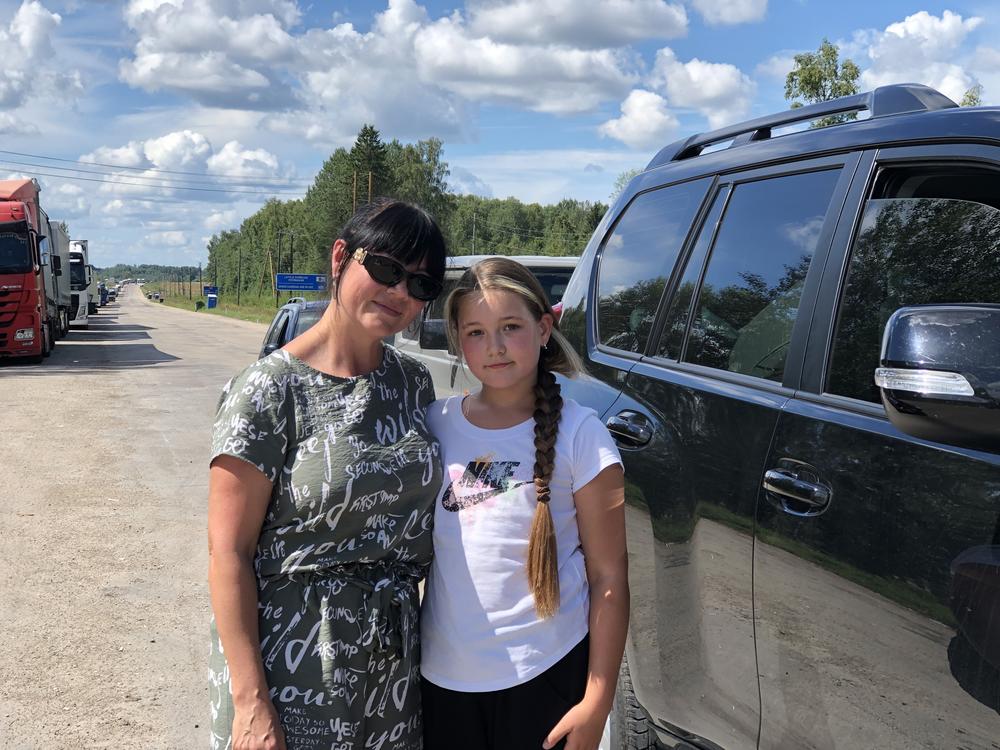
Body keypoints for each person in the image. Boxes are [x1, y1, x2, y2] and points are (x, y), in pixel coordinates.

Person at [207, 199, 447, 750]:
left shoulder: (413, 384)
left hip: (393, 666)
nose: (400, 294)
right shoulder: (267, 391)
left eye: (421, 285)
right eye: (387, 270)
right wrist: (251, 704)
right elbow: (228, 555)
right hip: (294, 662)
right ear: (341, 257)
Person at [420, 257, 629, 750]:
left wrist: (596, 704)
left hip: (548, 674)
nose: (493, 347)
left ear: (543, 328)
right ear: (457, 340)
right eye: (475, 332)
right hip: (445, 683)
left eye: (510, 327)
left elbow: (610, 579)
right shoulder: (436, 423)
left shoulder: (583, 436)